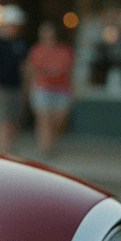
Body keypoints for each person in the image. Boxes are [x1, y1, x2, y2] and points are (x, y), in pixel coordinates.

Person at [0, 5, 29, 153]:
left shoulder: (20, 43)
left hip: (15, 87)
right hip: (0, 87)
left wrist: (25, 86)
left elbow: (24, 66)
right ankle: (2, 150)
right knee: (1, 120)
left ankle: (8, 148)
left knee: (14, 120)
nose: (13, 28)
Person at [26, 21, 74, 156]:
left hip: (61, 89)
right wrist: (30, 87)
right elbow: (31, 70)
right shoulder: (36, 50)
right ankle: (45, 147)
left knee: (57, 119)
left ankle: (48, 142)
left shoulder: (65, 50)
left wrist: (72, 90)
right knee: (44, 118)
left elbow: (69, 72)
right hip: (42, 87)